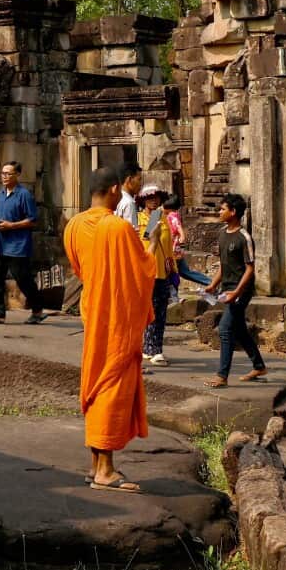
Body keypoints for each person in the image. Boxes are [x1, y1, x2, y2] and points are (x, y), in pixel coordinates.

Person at [64, 166, 163, 494]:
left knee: (96, 381)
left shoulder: (73, 226)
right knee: (110, 384)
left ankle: (96, 465)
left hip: (93, 311)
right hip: (116, 317)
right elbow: (144, 271)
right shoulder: (118, 228)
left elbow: (82, 270)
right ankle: (105, 469)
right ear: (115, 190)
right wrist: (153, 241)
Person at [203, 194, 266, 388]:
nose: (219, 212)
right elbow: (224, 265)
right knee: (239, 329)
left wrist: (237, 293)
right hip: (227, 288)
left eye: (223, 209)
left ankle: (222, 375)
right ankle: (258, 365)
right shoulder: (222, 234)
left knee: (225, 328)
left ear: (234, 212)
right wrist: (213, 285)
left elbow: (249, 269)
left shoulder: (244, 237)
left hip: (241, 290)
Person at [0, 161, 45, 325]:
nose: (4, 176)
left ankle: (37, 310)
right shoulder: (0, 194)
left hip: (17, 245)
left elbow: (33, 221)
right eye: (3, 173)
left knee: (23, 279)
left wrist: (12, 226)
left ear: (17, 175)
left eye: (8, 173)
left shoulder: (24, 195)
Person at [136, 185, 177, 366]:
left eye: (157, 197)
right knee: (149, 312)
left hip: (162, 272)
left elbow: (168, 247)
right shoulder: (139, 219)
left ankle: (154, 348)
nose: (154, 200)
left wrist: (173, 271)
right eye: (150, 197)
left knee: (159, 313)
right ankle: (152, 349)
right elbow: (148, 238)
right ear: (143, 200)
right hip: (145, 272)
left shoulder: (164, 218)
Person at [164, 194, 211, 299]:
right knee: (184, 272)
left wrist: (181, 237)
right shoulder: (174, 215)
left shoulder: (171, 216)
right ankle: (210, 282)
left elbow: (180, 230)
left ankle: (174, 296)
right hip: (175, 250)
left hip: (173, 251)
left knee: (171, 274)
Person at [115, 163, 142, 229]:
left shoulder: (115, 198)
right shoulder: (129, 203)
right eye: (139, 179)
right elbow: (133, 230)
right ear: (129, 179)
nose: (140, 184)